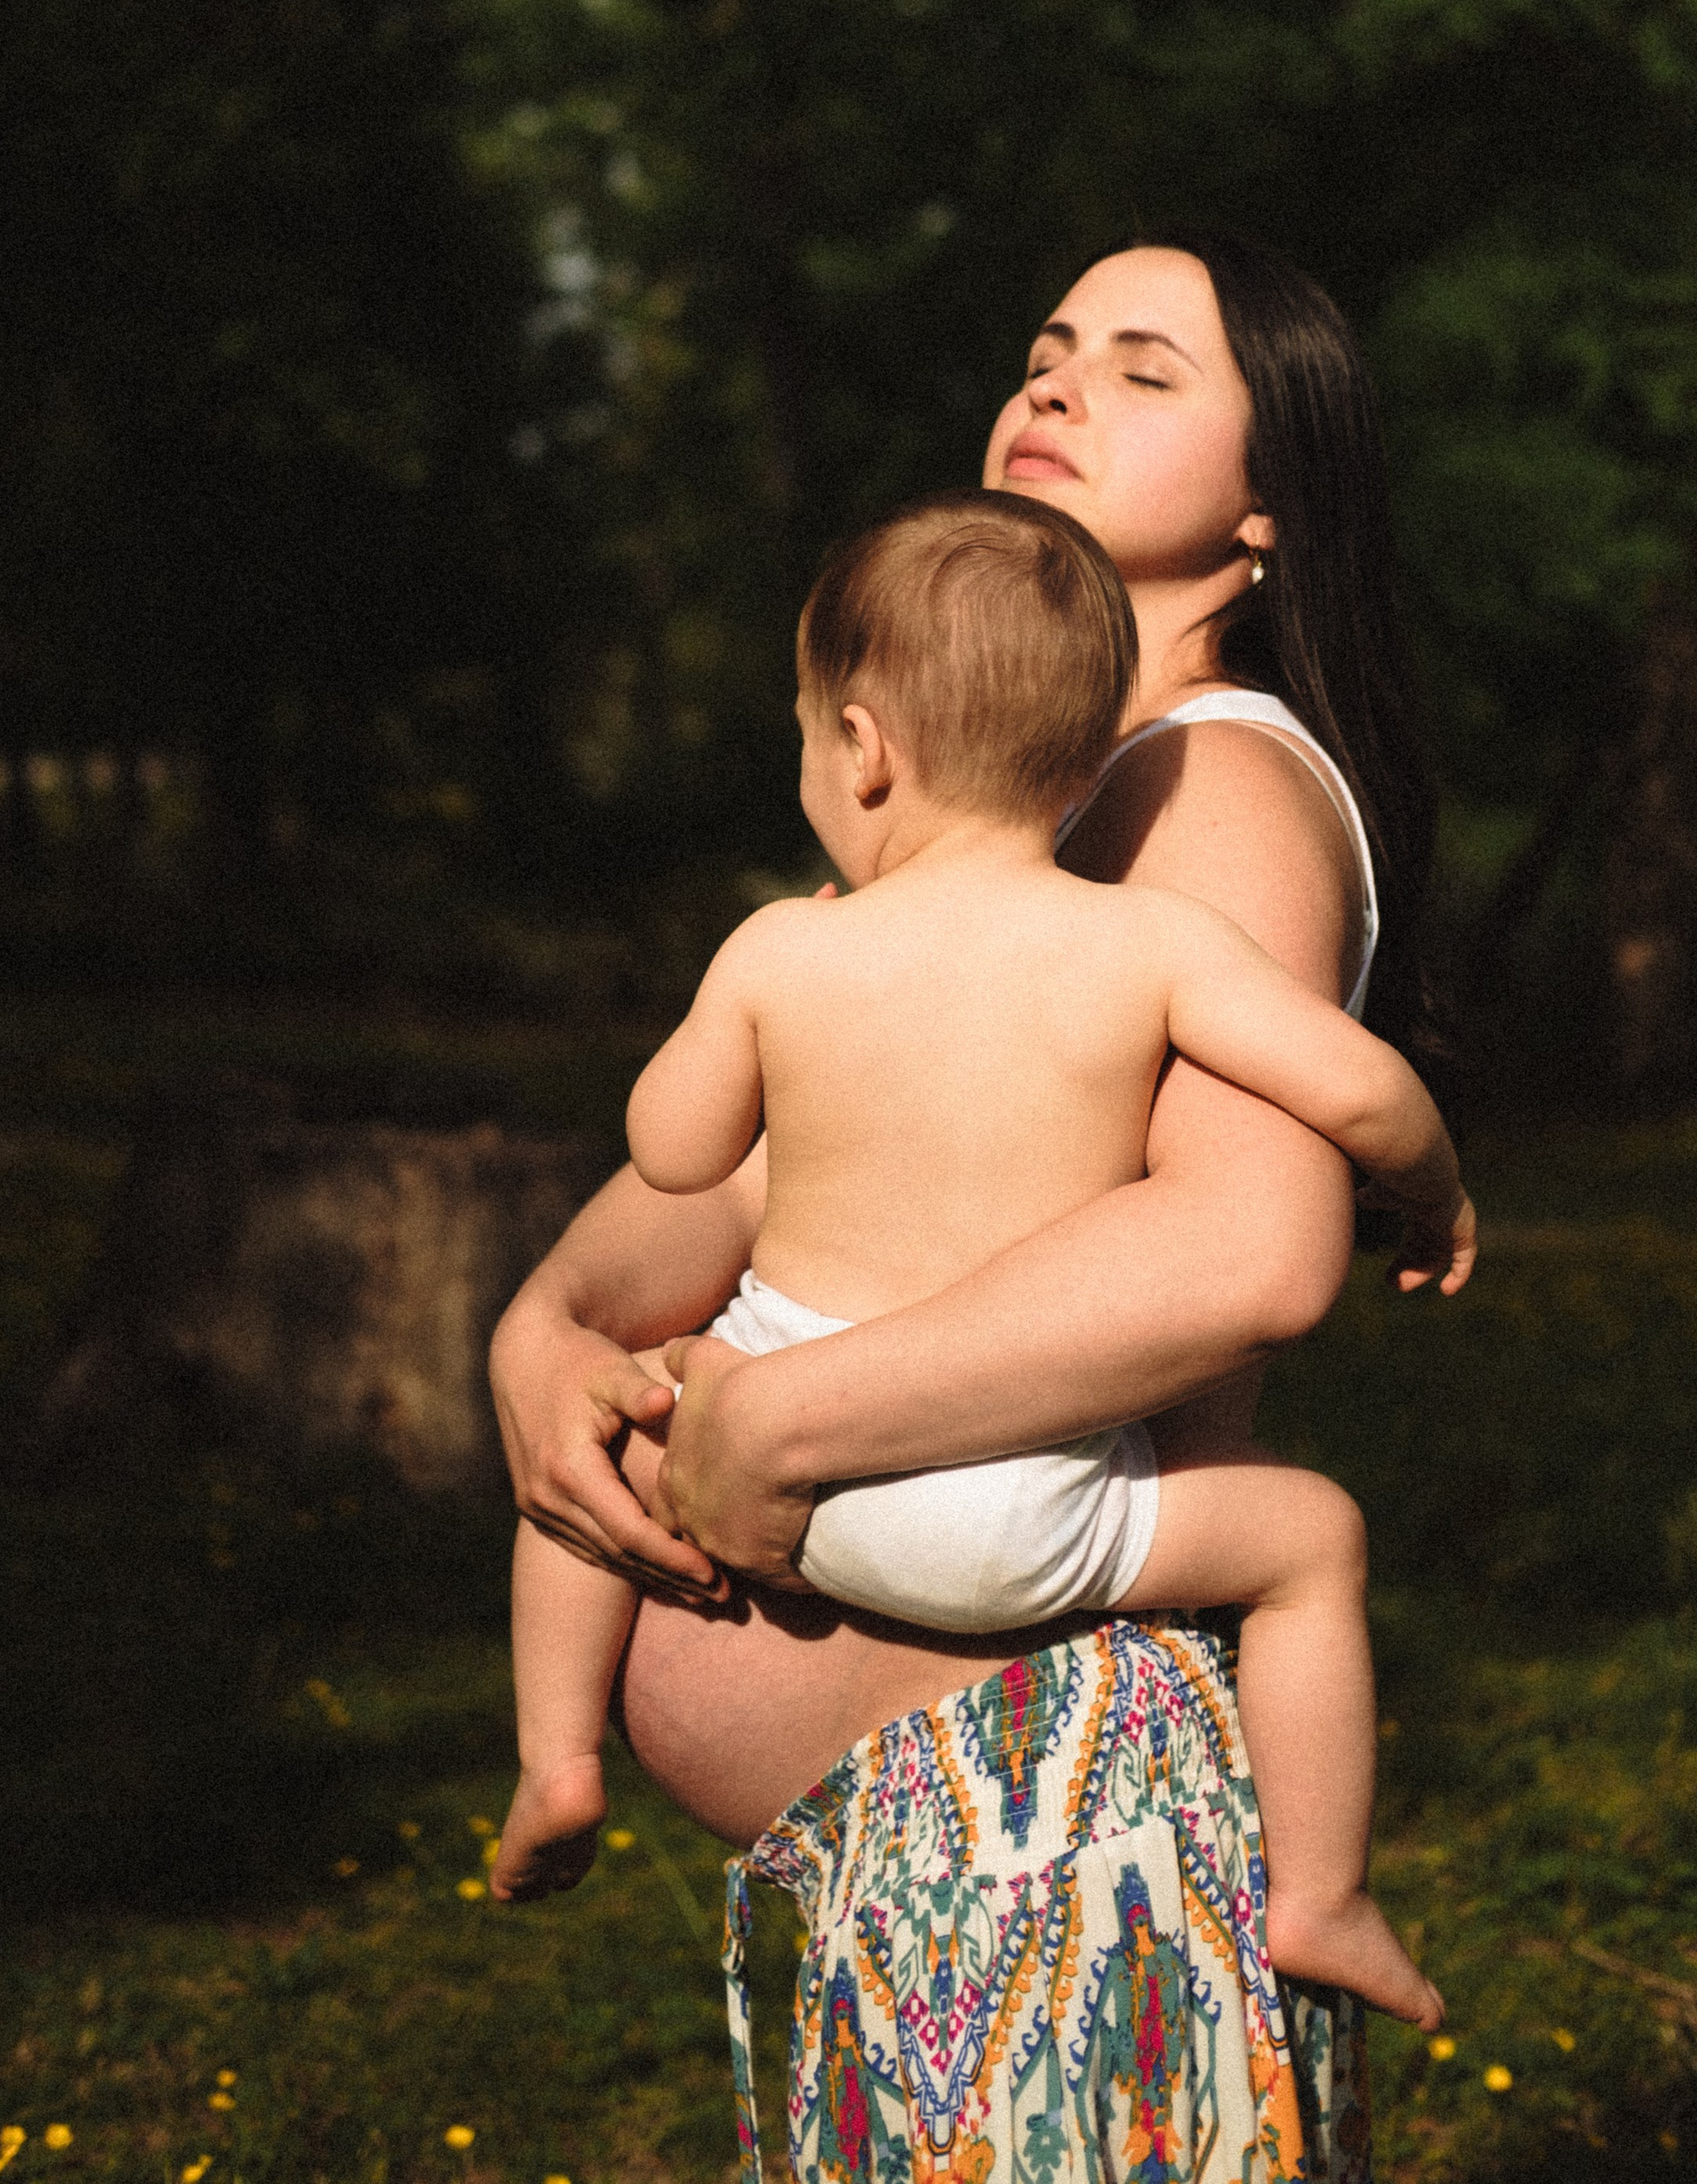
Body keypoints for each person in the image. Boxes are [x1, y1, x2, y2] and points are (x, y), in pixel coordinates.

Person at [490, 233, 1437, 2182]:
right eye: (1048, 348)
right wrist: (541, 1337)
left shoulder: (1207, 786)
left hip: (1052, 1809)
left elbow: (1249, 1249)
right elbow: (740, 1181)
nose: (1059, 383)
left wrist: (777, 1417)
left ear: (1267, 512)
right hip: (948, 1828)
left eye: (1145, 368)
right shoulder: (998, 833)